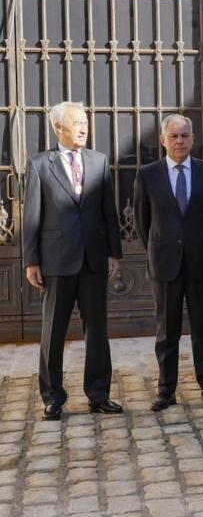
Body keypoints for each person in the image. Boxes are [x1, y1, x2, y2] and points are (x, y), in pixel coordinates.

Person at [23, 101, 123, 421]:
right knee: (53, 332)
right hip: (57, 261)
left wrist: (113, 253)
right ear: (58, 128)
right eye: (76, 122)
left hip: (93, 260)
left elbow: (110, 212)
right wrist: (32, 260)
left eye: (85, 122)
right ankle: (52, 397)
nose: (83, 127)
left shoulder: (98, 161)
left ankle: (99, 394)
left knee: (97, 331)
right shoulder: (40, 165)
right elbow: (31, 218)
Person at [133, 114, 203, 411]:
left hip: (200, 263)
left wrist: (202, 246)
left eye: (185, 136)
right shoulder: (147, 175)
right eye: (173, 136)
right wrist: (159, 248)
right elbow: (141, 222)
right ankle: (166, 389)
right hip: (165, 264)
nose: (179, 141)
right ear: (163, 140)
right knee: (167, 329)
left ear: (193, 139)